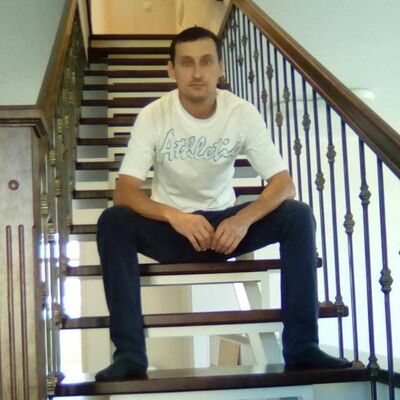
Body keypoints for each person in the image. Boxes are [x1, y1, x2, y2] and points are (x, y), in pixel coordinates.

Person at [95, 26, 351, 381]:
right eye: (186, 63)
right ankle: (129, 355)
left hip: (225, 232)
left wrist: (242, 219)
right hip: (171, 231)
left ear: (220, 67)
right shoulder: (154, 115)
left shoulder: (241, 112)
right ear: (171, 70)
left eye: (206, 61)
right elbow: (125, 192)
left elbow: (283, 184)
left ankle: (302, 347)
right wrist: (175, 216)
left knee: (297, 216)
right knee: (113, 221)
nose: (197, 72)